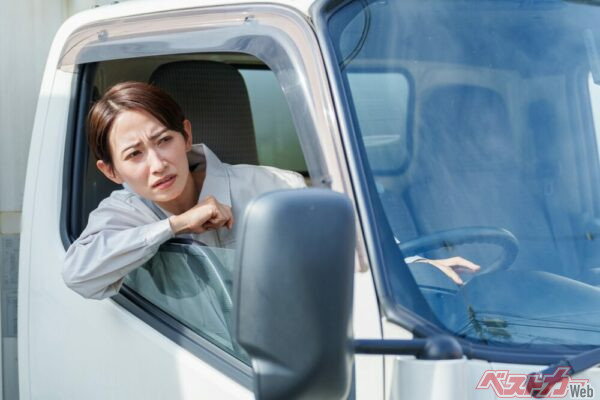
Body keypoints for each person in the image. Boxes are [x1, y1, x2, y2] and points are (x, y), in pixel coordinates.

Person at [63, 81, 479, 301]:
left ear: (185, 135)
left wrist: (418, 268)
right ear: (112, 171)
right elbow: (79, 275)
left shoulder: (274, 186)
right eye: (134, 154)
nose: (157, 164)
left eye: (163, 140)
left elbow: (357, 251)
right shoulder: (122, 213)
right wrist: (173, 225)